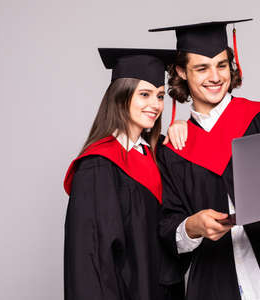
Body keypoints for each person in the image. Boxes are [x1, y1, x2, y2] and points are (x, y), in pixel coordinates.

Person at [150, 20, 260, 300]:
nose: (215, 76)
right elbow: (166, 225)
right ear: (182, 71)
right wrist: (192, 227)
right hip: (215, 285)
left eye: (221, 65)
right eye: (202, 68)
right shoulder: (173, 150)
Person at [63, 48, 185, 300]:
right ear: (121, 96)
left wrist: (186, 130)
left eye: (160, 96)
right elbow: (91, 262)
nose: (156, 105)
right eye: (145, 94)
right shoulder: (98, 166)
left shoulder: (159, 155)